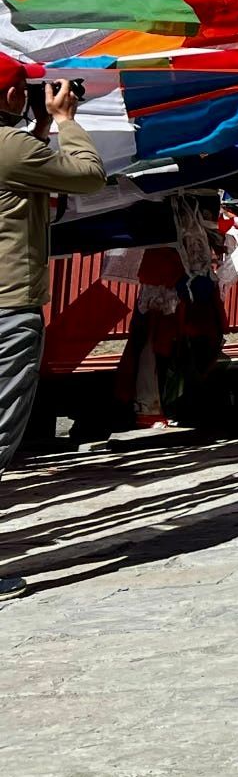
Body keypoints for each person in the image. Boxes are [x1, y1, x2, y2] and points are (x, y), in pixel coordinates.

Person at [0, 57, 106, 600]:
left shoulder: (16, 147)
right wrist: (65, 120)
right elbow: (89, 174)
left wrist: (37, 128)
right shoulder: (12, 148)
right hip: (7, 305)